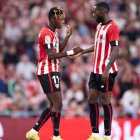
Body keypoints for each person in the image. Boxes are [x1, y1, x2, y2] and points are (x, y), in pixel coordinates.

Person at [26, 6, 82, 140]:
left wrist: (67, 37)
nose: (62, 22)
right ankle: (56, 136)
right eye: (60, 19)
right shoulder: (45, 33)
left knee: (54, 104)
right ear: (52, 19)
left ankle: (34, 131)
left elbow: (57, 49)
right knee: (58, 103)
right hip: (47, 70)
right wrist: (70, 53)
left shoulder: (53, 32)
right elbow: (51, 56)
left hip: (53, 70)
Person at [75, 2, 120, 140]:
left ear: (103, 11)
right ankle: (95, 134)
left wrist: (106, 70)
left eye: (95, 12)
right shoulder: (99, 26)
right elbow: (98, 45)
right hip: (95, 70)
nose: (93, 14)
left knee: (105, 101)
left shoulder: (113, 27)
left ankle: (107, 135)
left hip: (106, 70)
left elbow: (116, 49)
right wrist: (83, 50)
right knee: (91, 99)